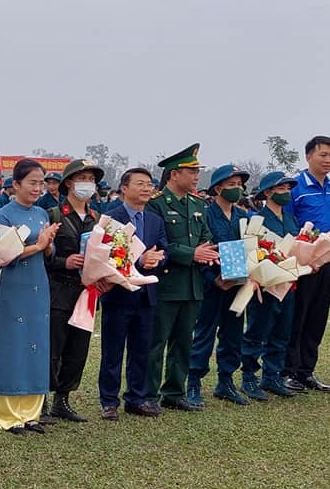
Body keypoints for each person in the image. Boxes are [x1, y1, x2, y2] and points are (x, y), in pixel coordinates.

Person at [0, 160, 60, 433]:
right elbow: (3, 254)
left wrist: (48, 245)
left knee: (36, 343)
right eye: (32, 182)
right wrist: (39, 244)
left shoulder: (43, 213)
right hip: (12, 284)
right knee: (11, 344)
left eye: (41, 183)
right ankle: (9, 415)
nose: (37, 188)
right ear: (15, 184)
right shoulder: (3, 215)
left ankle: (31, 413)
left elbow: (46, 252)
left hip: (37, 283)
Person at [146, 144, 217, 412]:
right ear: (174, 174)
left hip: (192, 284)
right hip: (165, 283)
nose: (197, 176)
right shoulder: (156, 204)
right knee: (156, 342)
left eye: (198, 171)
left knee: (184, 342)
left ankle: (175, 391)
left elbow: (205, 238)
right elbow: (156, 243)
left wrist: (206, 251)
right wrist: (193, 253)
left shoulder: (198, 204)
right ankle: (149, 394)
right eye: (191, 171)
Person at [98, 168, 168, 419]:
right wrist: (139, 260)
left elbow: (164, 249)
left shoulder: (154, 220)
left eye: (149, 184)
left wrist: (156, 260)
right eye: (140, 184)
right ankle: (109, 401)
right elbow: (104, 254)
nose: (147, 189)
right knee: (112, 350)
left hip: (146, 294)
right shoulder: (111, 218)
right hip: (118, 294)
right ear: (124, 189)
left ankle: (136, 398)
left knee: (142, 349)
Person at [189, 165, 254, 404]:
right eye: (231, 185)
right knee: (204, 333)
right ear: (217, 188)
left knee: (233, 334)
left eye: (239, 185)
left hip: (237, 285)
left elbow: (251, 249)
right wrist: (212, 278)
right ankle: (193, 381)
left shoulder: (243, 216)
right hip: (212, 285)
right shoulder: (205, 214)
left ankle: (225, 381)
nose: (237, 189)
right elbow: (202, 248)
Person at [285, 136, 330, 393]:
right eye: (323, 155)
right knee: (296, 317)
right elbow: (287, 225)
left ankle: (306, 371)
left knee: (318, 318)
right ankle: (287, 371)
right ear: (308, 156)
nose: (328, 160)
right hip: (302, 264)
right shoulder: (295, 188)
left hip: (328, 263)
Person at [44, 159, 102, 423]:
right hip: (59, 289)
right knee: (53, 346)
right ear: (69, 182)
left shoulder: (98, 219)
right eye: (83, 178)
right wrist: (62, 262)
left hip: (87, 293)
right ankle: (42, 399)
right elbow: (41, 257)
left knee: (78, 348)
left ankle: (62, 399)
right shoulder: (53, 215)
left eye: (91, 179)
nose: (88, 184)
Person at [240, 172, 302, 398]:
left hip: (288, 285)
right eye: (281, 189)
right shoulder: (257, 219)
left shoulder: (290, 218)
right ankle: (248, 377)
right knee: (257, 331)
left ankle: (272, 376)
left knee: (281, 333)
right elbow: (251, 251)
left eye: (288, 189)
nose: (286, 193)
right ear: (268, 193)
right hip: (265, 285)